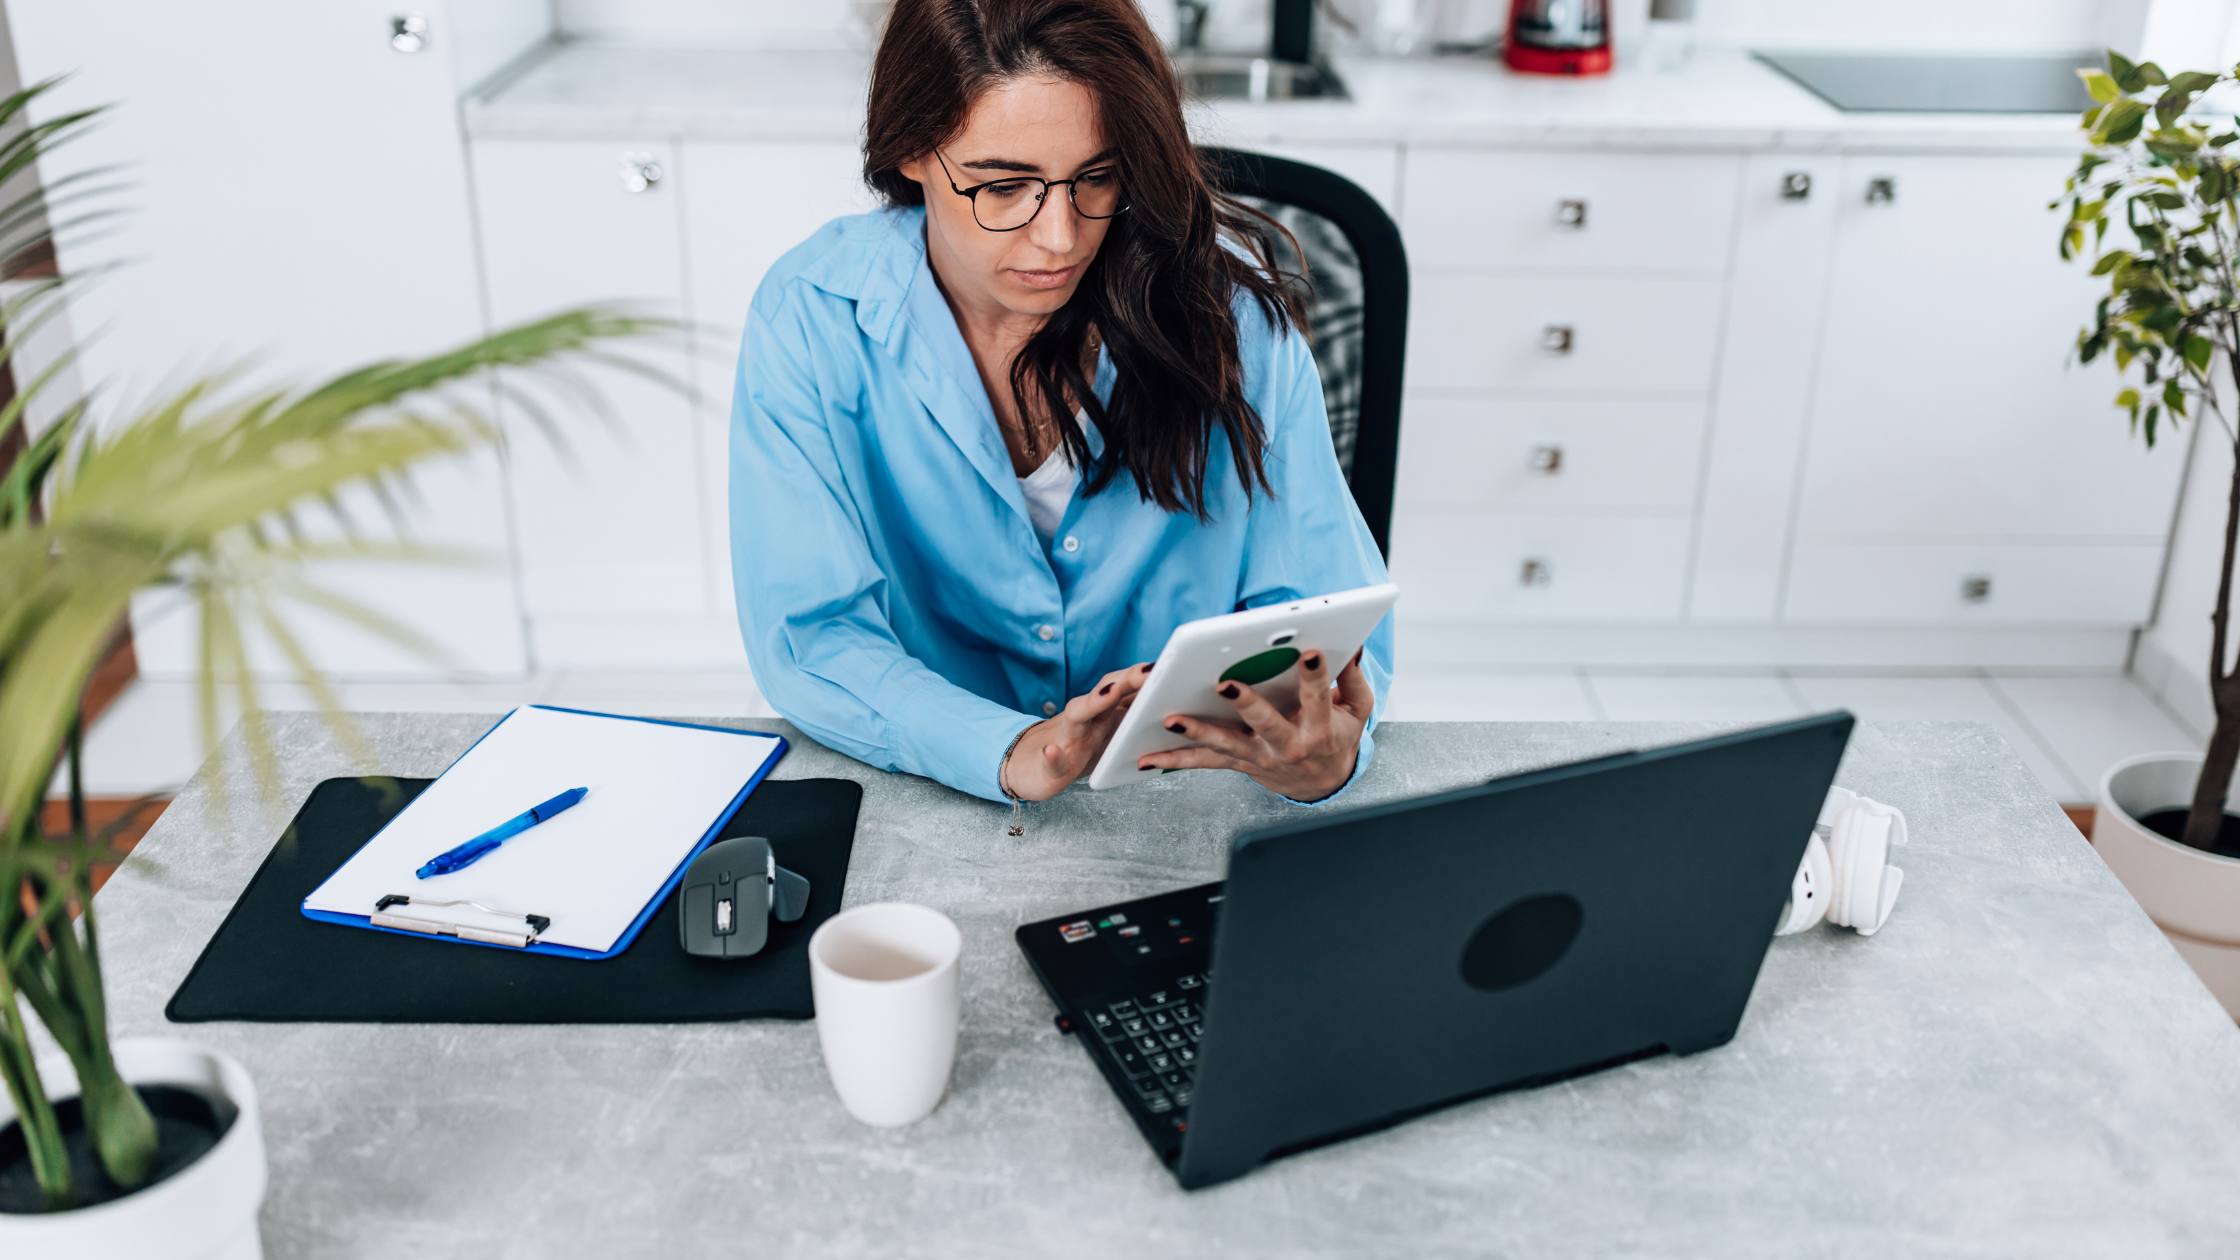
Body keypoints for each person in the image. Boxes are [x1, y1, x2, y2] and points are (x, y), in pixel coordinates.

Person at [729, 0, 1393, 808]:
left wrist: (1322, 755)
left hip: (1184, 805)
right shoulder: (813, 316)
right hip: (931, 801)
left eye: (1097, 178)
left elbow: (1322, 617)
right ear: (909, 151)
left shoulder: (1237, 322)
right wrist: (1005, 747)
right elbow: (813, 635)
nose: (1061, 238)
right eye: (1003, 187)